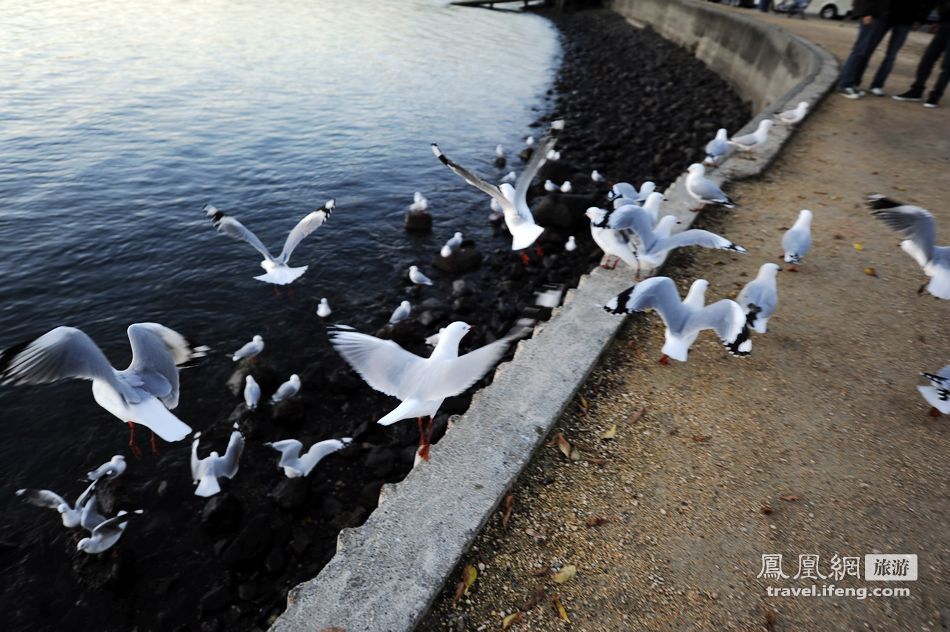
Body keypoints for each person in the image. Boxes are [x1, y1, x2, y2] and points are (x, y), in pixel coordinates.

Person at [866, 0, 937, 95]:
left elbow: (929, 3)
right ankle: (854, 80)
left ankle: (877, 85)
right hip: (886, 14)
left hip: (906, 19)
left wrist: (919, 19)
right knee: (868, 49)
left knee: (891, 55)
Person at [893, 0, 950, 107]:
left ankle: (935, 96)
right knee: (927, 59)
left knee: (947, 65)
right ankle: (916, 90)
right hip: (945, 25)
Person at [837, 0, 891, 99]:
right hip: (872, 14)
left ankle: (852, 83)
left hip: (881, 15)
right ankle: (844, 84)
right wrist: (866, 13)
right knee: (860, 50)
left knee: (866, 52)